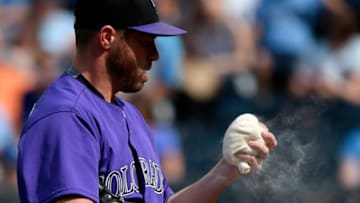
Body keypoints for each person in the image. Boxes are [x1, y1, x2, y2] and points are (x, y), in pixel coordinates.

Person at [17, 0, 277, 202]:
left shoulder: (129, 114)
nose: (154, 55)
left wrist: (225, 170)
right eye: (145, 42)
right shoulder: (67, 115)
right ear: (107, 37)